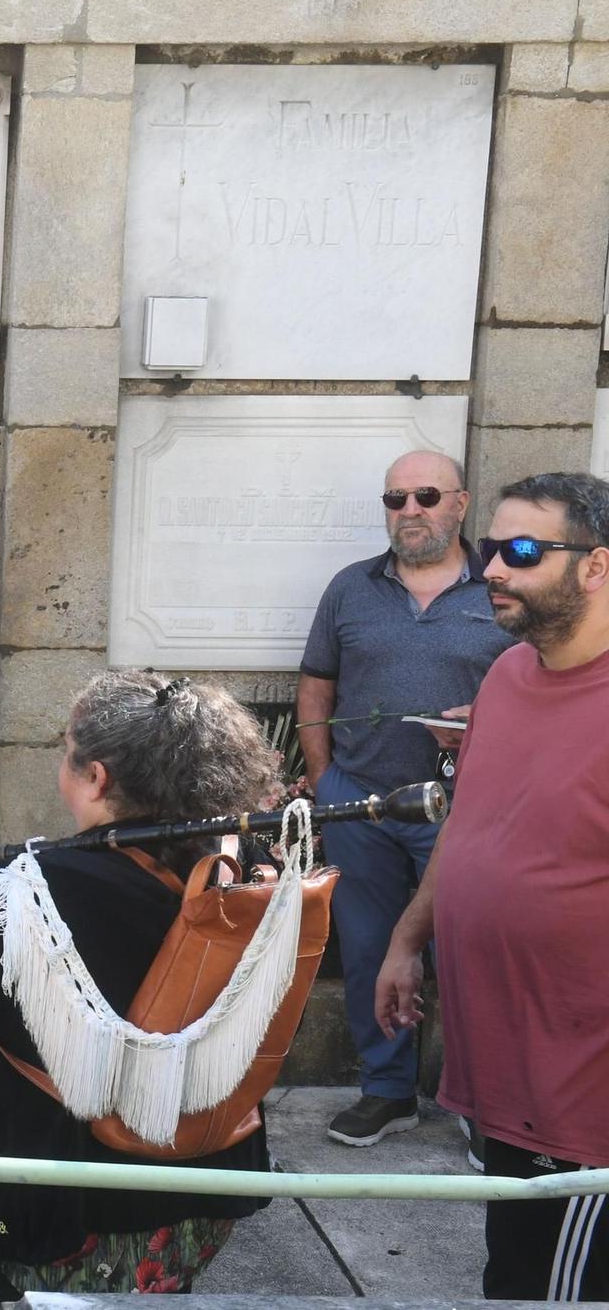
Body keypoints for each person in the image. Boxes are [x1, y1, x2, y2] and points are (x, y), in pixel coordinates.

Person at [0, 671, 280, 1299]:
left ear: (97, 775)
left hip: (75, 1208)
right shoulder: (236, 862)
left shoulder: (32, 896)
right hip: (206, 1180)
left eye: (66, 749)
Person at [376, 472, 609, 1301]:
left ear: (596, 567)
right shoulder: (510, 677)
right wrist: (408, 940)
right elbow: (470, 826)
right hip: (508, 1078)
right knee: (511, 1278)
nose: (492, 573)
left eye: (521, 551)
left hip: (585, 1103)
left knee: (561, 1289)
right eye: (492, 551)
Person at [296, 448, 510, 1149]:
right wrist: (326, 778)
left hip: (468, 811)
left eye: (425, 495)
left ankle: (483, 1105)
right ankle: (387, 1092)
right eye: (395, 499)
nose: (409, 511)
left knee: (468, 955)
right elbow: (317, 683)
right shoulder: (351, 589)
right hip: (363, 805)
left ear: (460, 503)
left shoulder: (501, 590)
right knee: (367, 949)